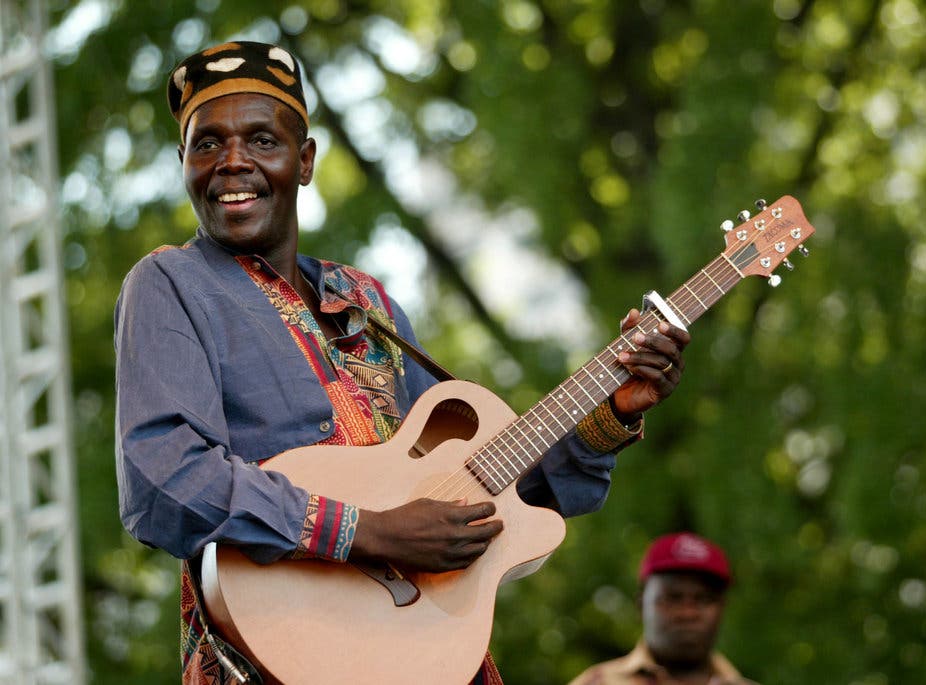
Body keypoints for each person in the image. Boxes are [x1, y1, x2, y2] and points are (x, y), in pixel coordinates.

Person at [114, 41, 690, 684]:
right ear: (183, 163)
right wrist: (370, 532)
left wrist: (609, 411)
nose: (233, 163)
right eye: (207, 144)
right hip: (268, 659)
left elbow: (482, 492)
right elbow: (165, 481)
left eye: (261, 141)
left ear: (304, 162)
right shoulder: (169, 282)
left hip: (423, 652)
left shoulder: (367, 301)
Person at [569, 532, 757, 685]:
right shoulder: (596, 682)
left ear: (721, 608)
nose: (688, 613)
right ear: (642, 605)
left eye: (704, 599)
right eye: (672, 599)